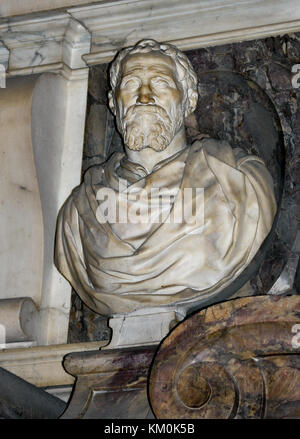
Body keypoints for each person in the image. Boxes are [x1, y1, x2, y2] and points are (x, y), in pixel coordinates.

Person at [55, 39, 276, 317]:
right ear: (113, 103)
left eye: (160, 83)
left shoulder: (238, 182)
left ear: (189, 100)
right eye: (131, 85)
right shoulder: (79, 213)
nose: (144, 96)